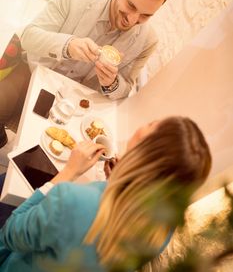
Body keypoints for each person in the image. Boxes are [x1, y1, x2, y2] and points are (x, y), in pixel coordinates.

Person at [0, 0, 175, 147]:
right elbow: (29, 36)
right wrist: (68, 45)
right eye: (131, 6)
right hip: (33, 75)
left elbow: (124, 90)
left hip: (79, 106)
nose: (132, 20)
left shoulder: (148, 42)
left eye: (145, 15)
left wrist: (111, 83)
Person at [0, 116, 211, 272]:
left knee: (4, 183)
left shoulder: (72, 199)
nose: (143, 124)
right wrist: (117, 181)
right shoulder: (163, 231)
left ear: (148, 151)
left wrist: (68, 172)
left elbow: (10, 233)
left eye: (150, 123)